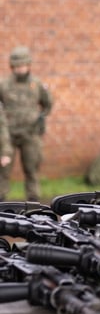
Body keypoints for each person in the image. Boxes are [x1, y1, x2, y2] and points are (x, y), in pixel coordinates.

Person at [0, 46, 53, 202]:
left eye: (22, 65)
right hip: (8, 135)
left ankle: (33, 203)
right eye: (16, 66)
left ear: (28, 65)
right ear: (12, 67)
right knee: (3, 170)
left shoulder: (36, 84)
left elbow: (47, 103)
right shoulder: (4, 84)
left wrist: (40, 118)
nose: (20, 69)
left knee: (32, 169)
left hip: (30, 134)